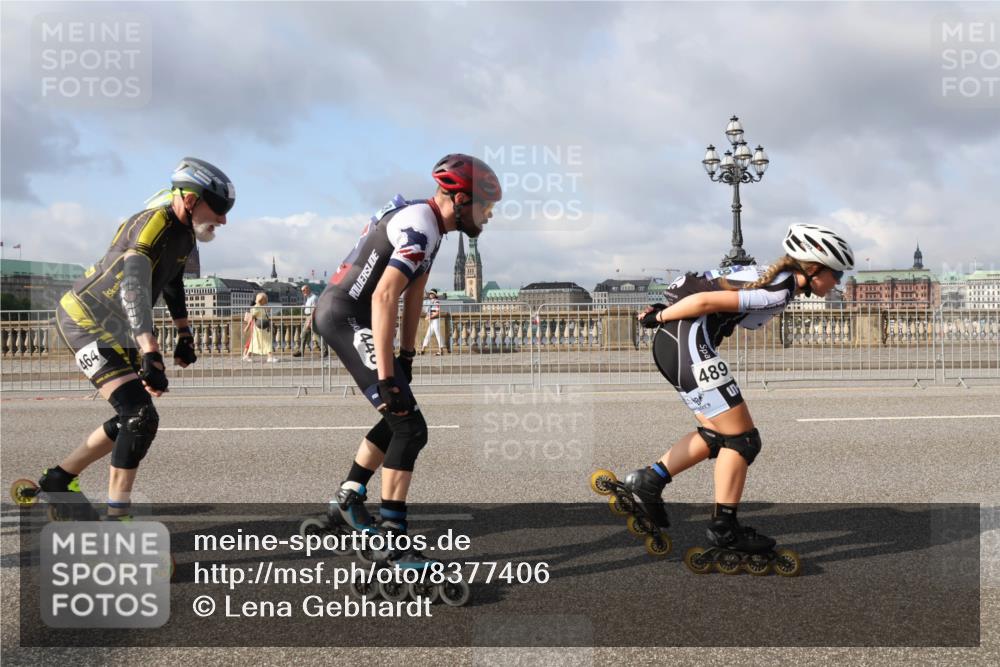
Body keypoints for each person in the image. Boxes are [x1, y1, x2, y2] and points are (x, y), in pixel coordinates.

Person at [604, 223, 853, 573]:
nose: (838, 282)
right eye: (836, 273)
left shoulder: (773, 278)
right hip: (687, 346)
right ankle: (725, 529)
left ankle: (651, 480)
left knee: (718, 434)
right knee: (743, 439)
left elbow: (702, 286)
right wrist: (659, 316)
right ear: (814, 269)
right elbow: (705, 299)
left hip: (678, 345)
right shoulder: (777, 288)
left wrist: (665, 313)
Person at [310, 154, 501, 567]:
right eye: (485, 207)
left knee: (397, 413)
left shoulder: (431, 226)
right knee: (410, 428)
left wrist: (407, 355)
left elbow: (414, 295)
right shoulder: (421, 228)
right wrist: (385, 373)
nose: (488, 216)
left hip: (353, 314)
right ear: (461, 199)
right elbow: (384, 296)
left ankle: (348, 496)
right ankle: (392, 539)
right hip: (345, 315)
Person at [17, 158, 234, 520]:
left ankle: (59, 479)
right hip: (84, 320)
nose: (225, 220)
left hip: (118, 328)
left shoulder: (184, 235)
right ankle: (118, 520)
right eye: (220, 209)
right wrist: (150, 348)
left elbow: (173, 282)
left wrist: (184, 334)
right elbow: (134, 284)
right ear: (191, 200)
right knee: (139, 415)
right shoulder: (152, 222)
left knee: (134, 417)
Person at [292, 284, 326, 358]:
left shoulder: (314, 298)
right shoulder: (308, 298)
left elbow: (314, 310)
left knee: (317, 335)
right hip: (308, 317)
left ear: (308, 289)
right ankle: (301, 351)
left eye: (304, 290)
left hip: (312, 317)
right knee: (304, 335)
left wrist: (310, 321)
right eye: (302, 291)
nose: (303, 292)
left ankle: (325, 351)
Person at [243, 292, 276, 363]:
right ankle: (269, 357)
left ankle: (247, 356)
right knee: (265, 342)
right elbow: (252, 317)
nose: (267, 301)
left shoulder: (261, 306)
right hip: (259, 329)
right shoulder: (256, 307)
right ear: (262, 300)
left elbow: (265, 316)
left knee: (258, 342)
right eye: (265, 299)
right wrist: (247, 327)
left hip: (262, 328)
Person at [419, 289, 444, 355]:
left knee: (437, 334)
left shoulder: (437, 302)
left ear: (434, 295)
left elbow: (437, 312)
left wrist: (429, 317)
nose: (430, 295)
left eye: (431, 294)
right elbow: (427, 311)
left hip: (435, 320)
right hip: (432, 321)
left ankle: (441, 350)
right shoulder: (430, 302)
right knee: (428, 334)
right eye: (430, 294)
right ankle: (422, 350)